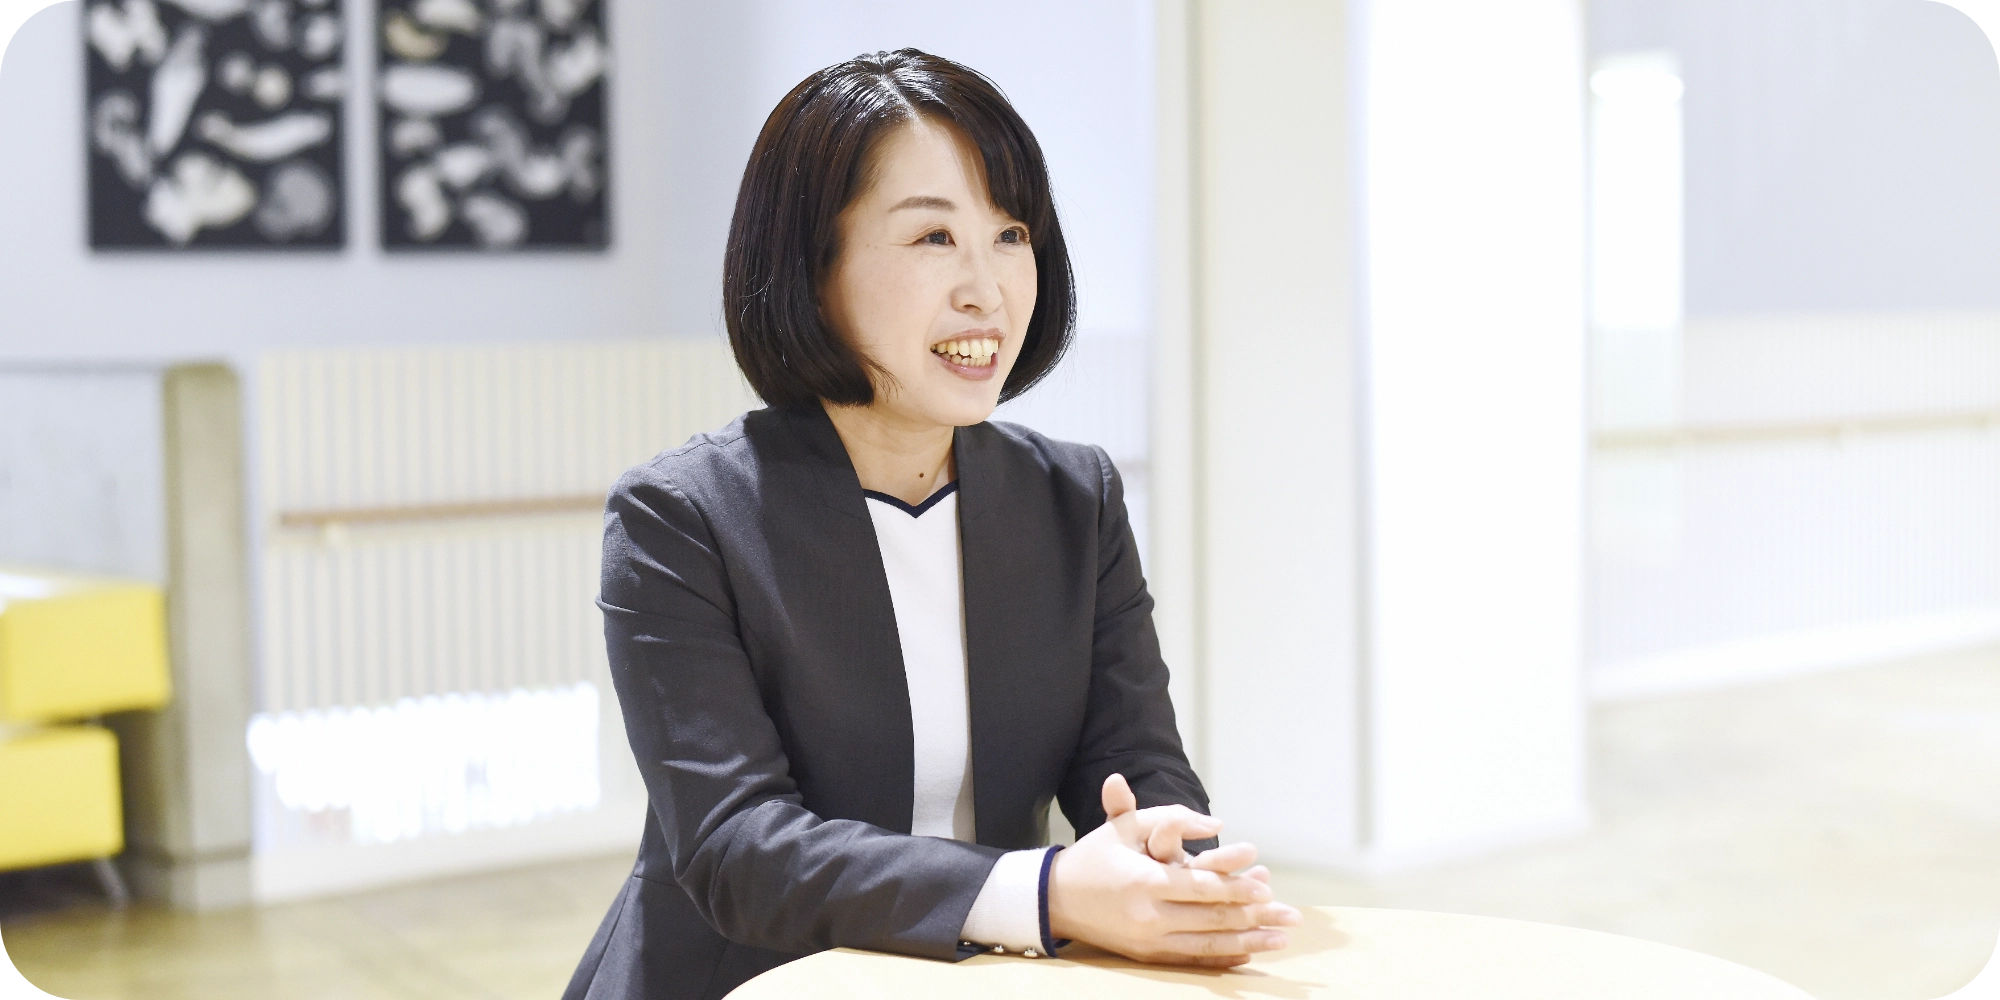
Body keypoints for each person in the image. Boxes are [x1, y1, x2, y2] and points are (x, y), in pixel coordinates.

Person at [562, 48, 1300, 1000]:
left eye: (1010, 234)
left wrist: (1174, 865)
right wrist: (1048, 891)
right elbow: (739, 850)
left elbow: (1136, 762)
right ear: (811, 267)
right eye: (933, 237)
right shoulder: (682, 517)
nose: (987, 289)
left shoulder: (1074, 497)